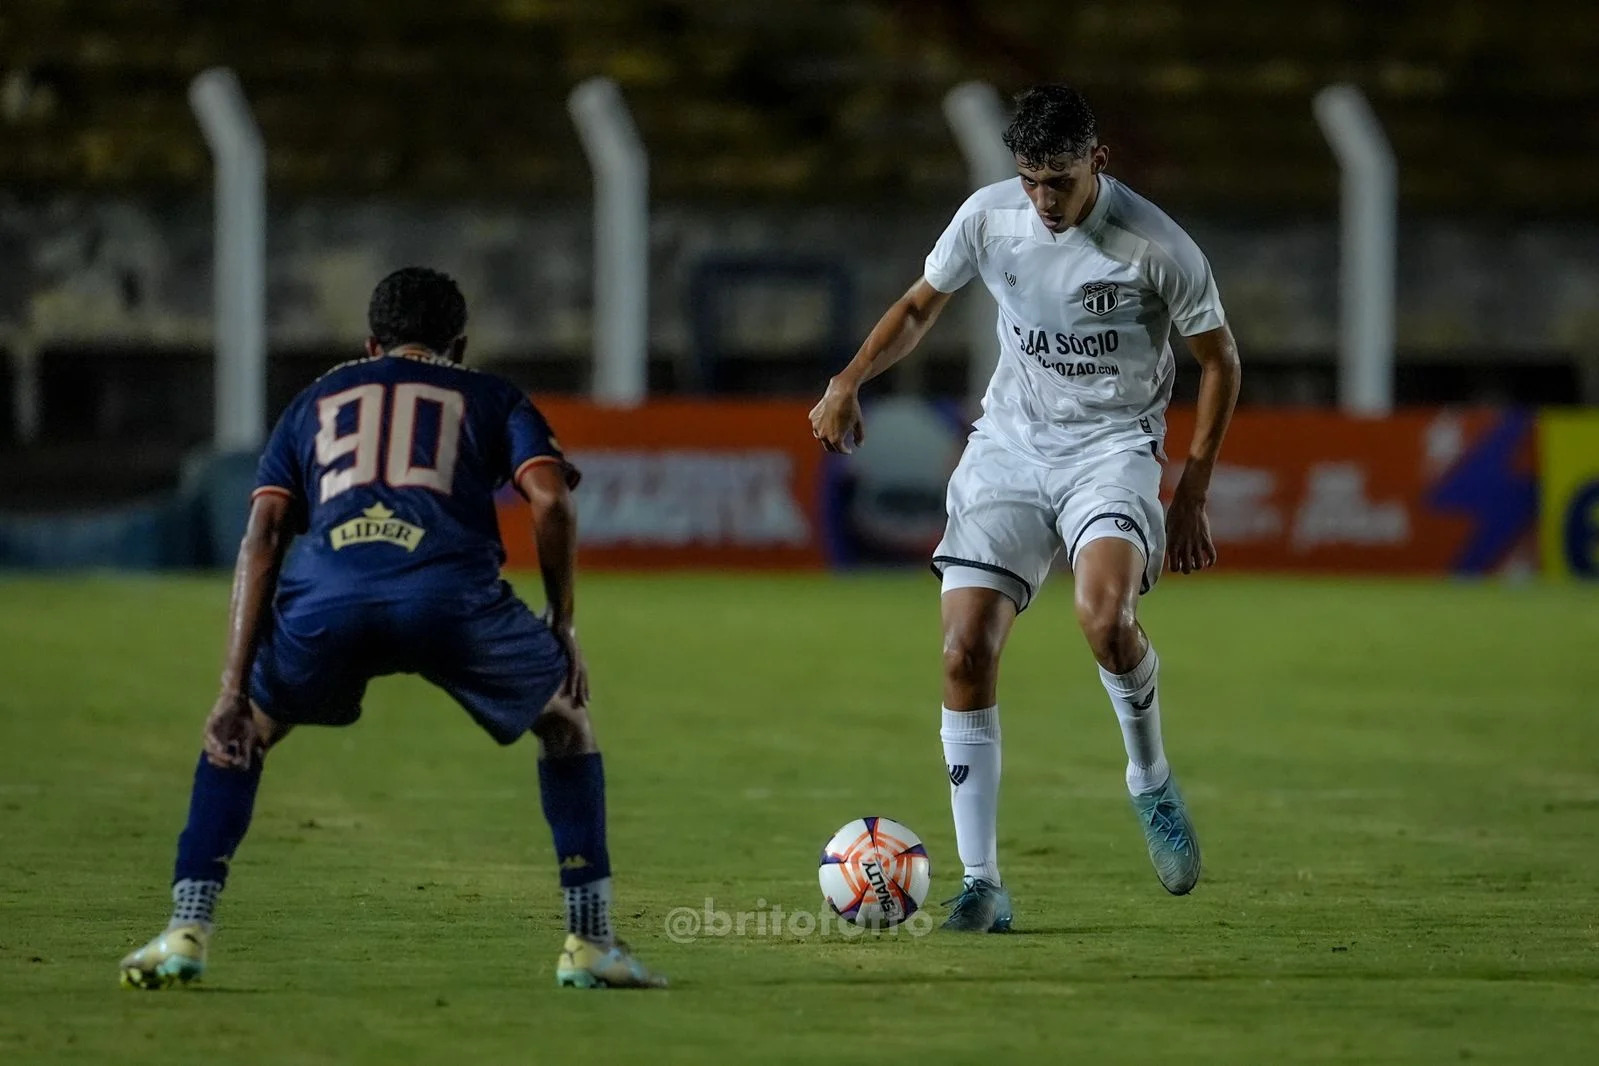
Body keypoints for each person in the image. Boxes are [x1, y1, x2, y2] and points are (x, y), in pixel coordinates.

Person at [119, 267, 665, 988]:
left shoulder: (315, 399)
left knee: (240, 735)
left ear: (371, 343)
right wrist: (560, 622)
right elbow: (550, 501)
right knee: (566, 721)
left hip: (326, 598)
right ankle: (591, 942)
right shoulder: (491, 395)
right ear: (459, 346)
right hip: (450, 598)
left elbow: (263, 534)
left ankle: (185, 930)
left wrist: (230, 686)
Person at [809, 85, 1241, 931]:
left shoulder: (1155, 246)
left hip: (1111, 451)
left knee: (1103, 618)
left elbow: (1219, 360)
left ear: (1098, 162)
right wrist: (849, 379)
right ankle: (982, 883)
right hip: (1007, 447)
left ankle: (1148, 780)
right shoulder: (988, 218)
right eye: (1030, 179)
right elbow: (918, 308)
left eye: (1060, 181)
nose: (1043, 201)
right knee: (964, 649)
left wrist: (1191, 488)